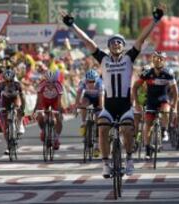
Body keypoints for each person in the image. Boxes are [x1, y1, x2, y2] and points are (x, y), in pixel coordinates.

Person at [61, 4, 165, 177]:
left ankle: (130, 159)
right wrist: (72, 25)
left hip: (125, 106)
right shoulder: (103, 59)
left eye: (119, 42)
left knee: (126, 130)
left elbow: (140, 39)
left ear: (123, 47)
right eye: (113, 42)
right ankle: (105, 163)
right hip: (109, 106)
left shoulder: (128, 58)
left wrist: (155, 20)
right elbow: (88, 42)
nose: (116, 43)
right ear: (109, 47)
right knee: (101, 129)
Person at [132, 51, 178, 159]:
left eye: (161, 58)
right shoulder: (147, 73)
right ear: (153, 60)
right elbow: (135, 87)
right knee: (147, 124)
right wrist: (137, 103)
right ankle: (148, 149)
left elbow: (175, 91)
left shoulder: (169, 73)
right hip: (151, 100)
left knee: (165, 110)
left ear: (164, 60)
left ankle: (164, 130)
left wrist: (175, 106)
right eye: (156, 58)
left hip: (163, 98)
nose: (158, 60)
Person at [75, 69, 104, 157]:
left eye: (92, 81)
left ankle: (97, 145)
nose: (91, 83)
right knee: (83, 104)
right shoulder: (83, 82)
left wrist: (101, 107)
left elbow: (101, 97)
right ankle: (84, 123)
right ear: (86, 80)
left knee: (98, 119)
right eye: (89, 81)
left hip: (98, 98)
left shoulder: (100, 83)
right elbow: (79, 94)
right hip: (88, 97)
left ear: (96, 80)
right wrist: (77, 105)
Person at [0, 69, 25, 155]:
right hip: (5, 101)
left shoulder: (17, 85)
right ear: (4, 79)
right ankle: (9, 145)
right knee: (5, 127)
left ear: (13, 79)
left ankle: (19, 125)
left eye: (10, 81)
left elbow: (23, 98)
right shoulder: (0, 85)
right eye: (6, 81)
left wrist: (22, 109)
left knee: (18, 109)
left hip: (15, 99)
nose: (8, 83)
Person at [33, 70, 63, 150]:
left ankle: (56, 137)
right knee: (40, 116)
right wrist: (36, 110)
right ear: (45, 81)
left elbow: (59, 102)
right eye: (48, 82)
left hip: (55, 101)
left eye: (52, 82)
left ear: (55, 81)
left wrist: (59, 111)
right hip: (44, 101)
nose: (50, 84)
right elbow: (39, 100)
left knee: (58, 117)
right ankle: (43, 130)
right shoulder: (41, 85)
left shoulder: (59, 86)